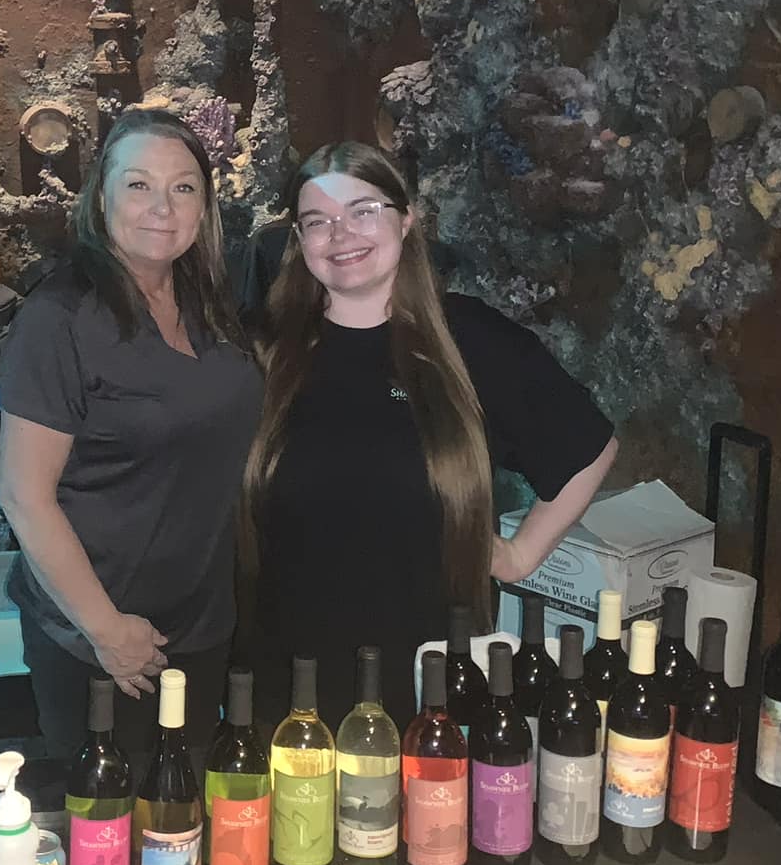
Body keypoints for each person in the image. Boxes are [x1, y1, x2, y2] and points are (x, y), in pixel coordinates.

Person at [243, 141, 618, 728]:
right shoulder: (264, 351)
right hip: (290, 681)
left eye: (364, 211)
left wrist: (520, 556)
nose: (341, 235)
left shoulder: (467, 339)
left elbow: (589, 447)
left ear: (406, 219)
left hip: (433, 681)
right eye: (318, 221)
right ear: (299, 240)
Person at [0, 108, 262, 768]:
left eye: (183, 188)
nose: (162, 208)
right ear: (102, 198)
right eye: (139, 185)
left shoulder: (208, 302)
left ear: (204, 207)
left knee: (184, 815)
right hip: (101, 639)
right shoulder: (60, 318)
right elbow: (24, 495)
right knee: (109, 822)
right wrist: (106, 628)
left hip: (199, 625)